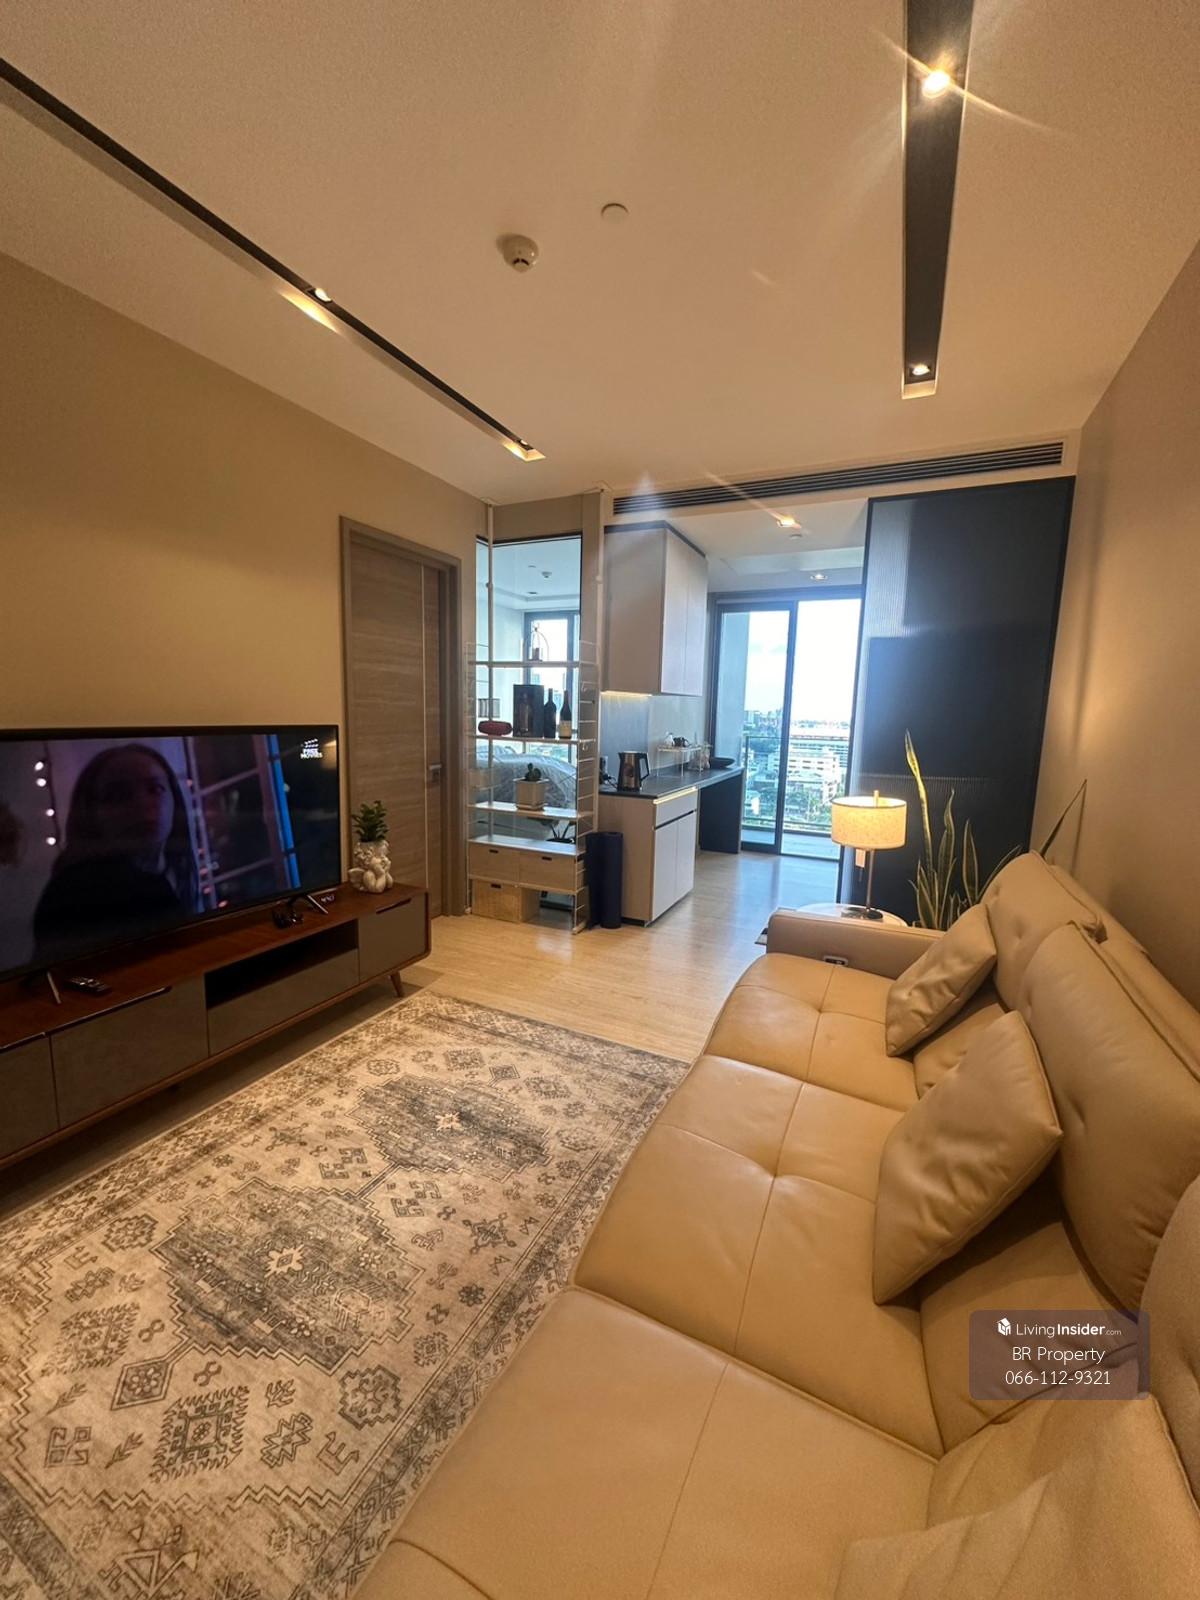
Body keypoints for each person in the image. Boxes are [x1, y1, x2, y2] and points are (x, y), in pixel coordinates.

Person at [33, 743, 199, 967]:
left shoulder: (158, 883)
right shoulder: (79, 892)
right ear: (91, 813)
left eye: (155, 789)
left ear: (174, 800)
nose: (142, 804)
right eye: (118, 795)